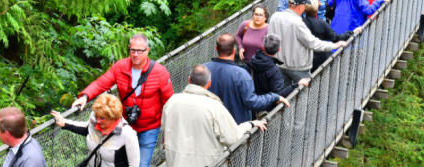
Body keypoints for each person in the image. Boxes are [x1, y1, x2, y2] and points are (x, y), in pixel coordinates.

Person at [73, 34, 173, 167]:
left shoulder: (160, 72)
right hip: (125, 125)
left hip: (149, 127)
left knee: (142, 164)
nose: (136, 54)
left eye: (140, 51)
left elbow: (169, 103)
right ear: (129, 49)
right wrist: (85, 96)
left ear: (147, 50)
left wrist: (169, 131)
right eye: (133, 50)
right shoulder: (120, 67)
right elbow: (101, 83)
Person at [161, 65, 268, 167]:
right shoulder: (215, 107)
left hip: (176, 161)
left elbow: (165, 126)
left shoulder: (172, 101)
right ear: (209, 83)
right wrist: (250, 124)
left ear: (189, 80)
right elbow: (233, 137)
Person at [267, 0, 347, 83]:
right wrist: (335, 45)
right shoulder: (297, 22)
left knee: (285, 94)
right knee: (306, 94)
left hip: (279, 65)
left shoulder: (275, 17)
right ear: (301, 7)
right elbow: (313, 44)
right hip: (298, 68)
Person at [204, 34, 283, 124]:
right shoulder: (241, 74)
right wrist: (273, 97)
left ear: (216, 48)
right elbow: (252, 102)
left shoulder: (203, 69)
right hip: (236, 124)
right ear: (234, 50)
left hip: (209, 121)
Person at [51, 94, 140, 167]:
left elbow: (134, 164)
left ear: (113, 117)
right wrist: (64, 122)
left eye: (102, 118)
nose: (97, 120)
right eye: (96, 116)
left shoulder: (127, 134)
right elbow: (86, 128)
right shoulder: (94, 119)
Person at [301, 0, 359, 71]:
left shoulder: (300, 23)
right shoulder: (322, 24)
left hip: (304, 60)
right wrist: (352, 32)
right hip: (321, 59)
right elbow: (336, 38)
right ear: (317, 9)